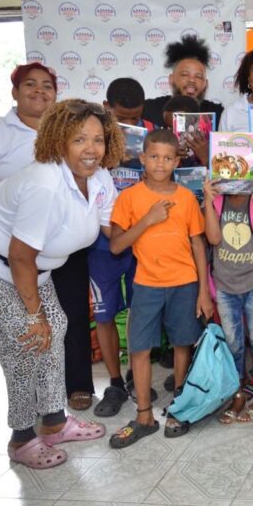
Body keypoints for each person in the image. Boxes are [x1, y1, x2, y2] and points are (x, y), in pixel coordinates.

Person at [0, 99, 120, 469]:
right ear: (59, 140)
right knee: (26, 340)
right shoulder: (45, 183)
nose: (90, 149)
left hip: (33, 269)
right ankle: (21, 437)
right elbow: (20, 255)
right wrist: (34, 315)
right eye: (79, 139)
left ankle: (54, 421)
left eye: (98, 140)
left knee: (58, 327)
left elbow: (113, 234)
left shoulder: (99, 179)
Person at [108, 129, 213, 447]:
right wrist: (148, 219)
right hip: (146, 285)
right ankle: (143, 415)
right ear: (142, 158)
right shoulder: (128, 198)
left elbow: (197, 244)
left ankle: (179, 406)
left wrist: (203, 291)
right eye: (153, 156)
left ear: (177, 162)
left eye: (168, 158)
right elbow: (116, 246)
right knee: (139, 349)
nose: (160, 163)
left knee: (183, 343)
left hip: (184, 284)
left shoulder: (184, 198)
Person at [89, 78, 152, 417]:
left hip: (141, 238)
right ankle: (114, 383)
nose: (131, 123)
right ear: (106, 107)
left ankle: (136, 375)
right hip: (100, 244)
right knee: (105, 313)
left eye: (137, 116)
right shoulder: (91, 139)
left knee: (141, 308)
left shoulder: (150, 132)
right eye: (122, 116)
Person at [203, 173, 253, 424]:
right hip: (225, 285)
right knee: (233, 343)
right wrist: (209, 201)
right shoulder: (217, 202)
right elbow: (212, 239)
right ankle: (238, 392)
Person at [0, 62, 56, 204]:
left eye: (47, 86)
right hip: (3, 225)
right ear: (15, 92)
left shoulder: (68, 133)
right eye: (30, 84)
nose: (39, 90)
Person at [142, 35, 224, 134]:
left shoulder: (217, 113)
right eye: (185, 75)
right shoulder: (149, 109)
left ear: (205, 84)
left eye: (198, 76)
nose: (192, 80)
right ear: (171, 79)